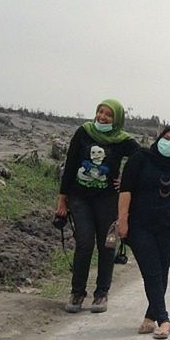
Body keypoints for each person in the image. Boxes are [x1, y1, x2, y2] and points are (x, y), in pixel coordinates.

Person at [56, 99, 139, 314]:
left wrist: (129, 183)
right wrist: (62, 199)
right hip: (79, 197)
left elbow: (142, 159)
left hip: (108, 199)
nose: (102, 117)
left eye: (108, 114)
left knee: (107, 245)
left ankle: (101, 293)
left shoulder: (123, 141)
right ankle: (77, 292)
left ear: (117, 119)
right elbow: (71, 164)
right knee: (84, 243)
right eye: (100, 112)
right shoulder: (83, 132)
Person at [117, 126, 170, 340]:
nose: (169, 144)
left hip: (168, 225)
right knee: (151, 270)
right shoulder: (140, 158)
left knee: (162, 271)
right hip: (139, 223)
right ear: (159, 138)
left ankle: (150, 316)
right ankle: (164, 319)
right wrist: (123, 219)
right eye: (167, 138)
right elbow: (125, 189)